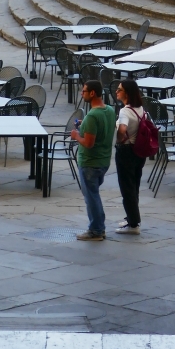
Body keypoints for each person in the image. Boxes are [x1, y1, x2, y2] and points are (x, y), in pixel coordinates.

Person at [69, 78, 117, 240]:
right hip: (103, 161)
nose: (82, 94)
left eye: (84, 91)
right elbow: (102, 128)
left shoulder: (92, 116)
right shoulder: (109, 110)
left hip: (90, 162)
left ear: (92, 93)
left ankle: (96, 230)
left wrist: (76, 135)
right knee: (93, 194)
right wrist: (85, 125)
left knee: (91, 196)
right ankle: (98, 227)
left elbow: (88, 143)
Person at [114, 78, 149, 233]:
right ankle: (132, 217)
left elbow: (122, 129)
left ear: (126, 93)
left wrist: (119, 139)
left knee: (126, 188)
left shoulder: (124, 111)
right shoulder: (140, 109)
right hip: (139, 151)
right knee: (134, 185)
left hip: (126, 151)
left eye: (119, 89)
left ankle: (133, 224)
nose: (116, 91)